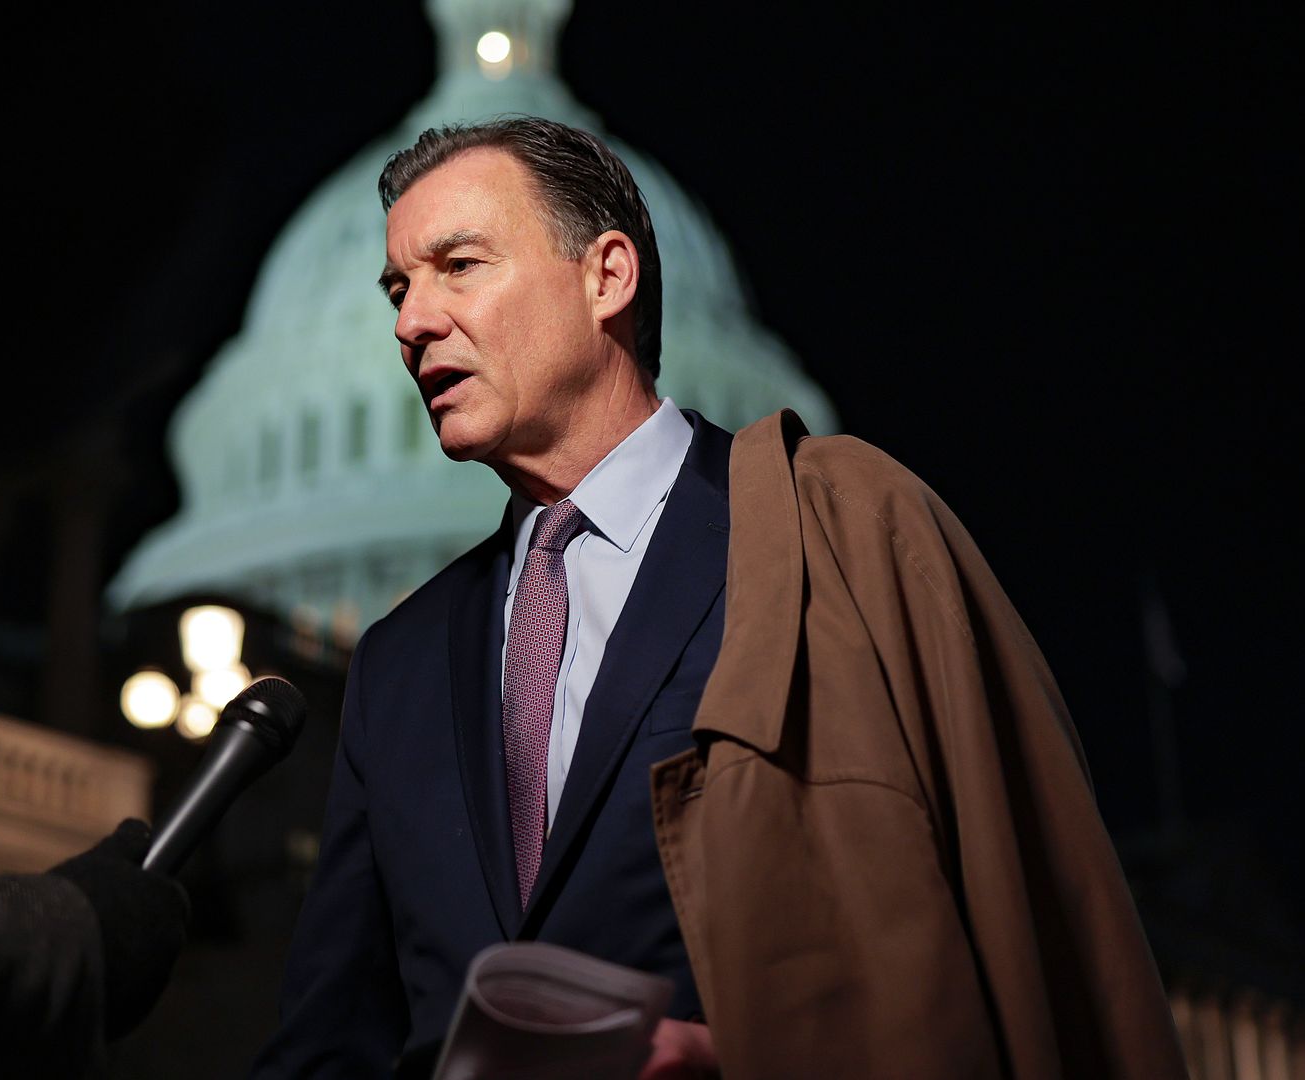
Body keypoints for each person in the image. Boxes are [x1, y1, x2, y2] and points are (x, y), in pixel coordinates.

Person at [255, 115, 1186, 1079]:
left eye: (460, 266)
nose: (411, 322)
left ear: (607, 276)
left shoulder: (840, 528)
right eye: (399, 289)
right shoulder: (396, 665)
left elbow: (1032, 918)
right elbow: (331, 1038)